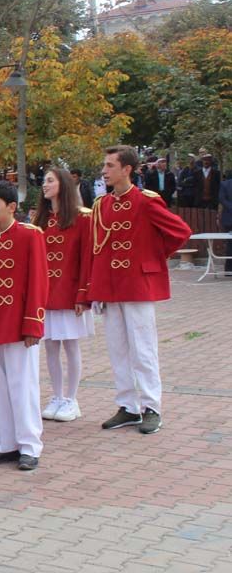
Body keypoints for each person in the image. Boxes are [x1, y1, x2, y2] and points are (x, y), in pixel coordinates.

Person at [90, 145, 191, 434]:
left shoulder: (146, 201)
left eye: (110, 165)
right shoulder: (102, 205)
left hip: (137, 284)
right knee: (117, 348)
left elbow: (179, 231)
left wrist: (151, 257)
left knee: (143, 349)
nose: (104, 171)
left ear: (127, 169)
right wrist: (95, 289)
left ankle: (151, 407)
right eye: (105, 165)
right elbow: (98, 249)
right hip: (111, 286)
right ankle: (128, 406)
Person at [0, 181, 48, 471]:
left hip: (18, 322)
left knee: (23, 385)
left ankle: (29, 445)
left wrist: (33, 324)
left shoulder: (30, 236)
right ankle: (5, 443)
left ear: (11, 207)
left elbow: (39, 282)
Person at [33, 169, 94, 424]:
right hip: (47, 292)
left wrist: (83, 294)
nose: (45, 185)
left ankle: (71, 398)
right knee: (50, 346)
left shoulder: (82, 218)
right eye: (44, 181)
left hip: (70, 292)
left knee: (70, 345)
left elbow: (87, 259)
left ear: (63, 184)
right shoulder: (40, 219)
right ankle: (56, 396)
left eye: (50, 180)